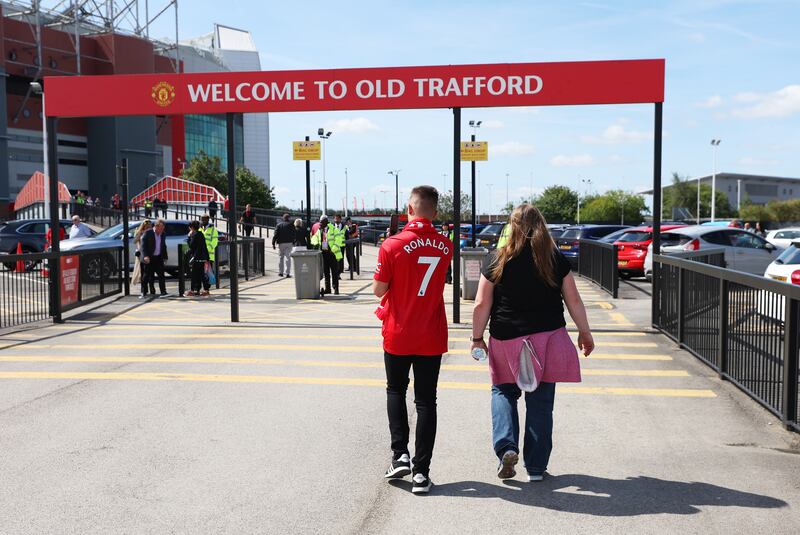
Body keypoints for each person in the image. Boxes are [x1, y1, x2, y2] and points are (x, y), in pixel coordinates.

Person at [471, 204, 594, 483]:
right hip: (548, 338)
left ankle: (506, 447)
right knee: (540, 403)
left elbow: (481, 304)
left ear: (511, 227)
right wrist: (585, 333)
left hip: (506, 338)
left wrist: (477, 338)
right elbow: (573, 300)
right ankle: (536, 468)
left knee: (503, 392)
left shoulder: (496, 259)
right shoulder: (554, 259)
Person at [374, 186, 452, 494]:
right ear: (434, 212)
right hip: (431, 332)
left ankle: (400, 454)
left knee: (396, 390)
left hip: (398, 331)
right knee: (426, 400)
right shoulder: (446, 245)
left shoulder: (391, 245)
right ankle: (421, 472)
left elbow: (379, 290)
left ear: (409, 208)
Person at [310, 214, 343, 295]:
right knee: (326, 272)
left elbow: (338, 240)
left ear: (326, 222)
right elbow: (314, 238)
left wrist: (333, 249)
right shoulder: (320, 230)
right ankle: (328, 288)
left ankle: (336, 288)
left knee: (334, 272)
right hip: (324, 253)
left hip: (332, 253)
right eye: (320, 222)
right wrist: (315, 243)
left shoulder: (333, 229)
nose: (320, 224)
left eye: (321, 222)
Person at [141, 218, 169, 298]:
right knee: (146, 275)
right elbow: (143, 246)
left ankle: (163, 292)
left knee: (161, 275)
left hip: (158, 257)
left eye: (163, 228)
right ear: (156, 226)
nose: (162, 230)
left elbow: (164, 246)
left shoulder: (163, 234)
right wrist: (145, 256)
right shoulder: (148, 233)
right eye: (160, 228)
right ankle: (143, 292)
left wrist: (165, 257)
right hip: (149, 257)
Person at [185, 220, 210, 297]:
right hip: (203, 257)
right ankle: (202, 289)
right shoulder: (201, 234)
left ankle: (195, 290)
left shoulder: (195, 236)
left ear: (192, 228)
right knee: (201, 274)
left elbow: (191, 246)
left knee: (195, 275)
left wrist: (189, 237)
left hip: (197, 258)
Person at [132, 219, 153, 290]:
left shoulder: (152, 232)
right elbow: (134, 241)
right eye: (146, 226)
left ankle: (151, 288)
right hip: (141, 255)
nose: (148, 227)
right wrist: (140, 233)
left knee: (150, 273)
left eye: (149, 226)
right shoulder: (141, 233)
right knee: (142, 273)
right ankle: (144, 289)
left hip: (150, 254)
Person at [200, 215, 218, 294]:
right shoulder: (200, 229)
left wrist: (206, 250)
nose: (202, 221)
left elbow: (214, 242)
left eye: (204, 220)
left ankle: (206, 289)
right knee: (202, 272)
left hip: (209, 256)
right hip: (200, 255)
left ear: (208, 220)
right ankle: (204, 289)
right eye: (201, 220)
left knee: (207, 273)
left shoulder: (213, 230)